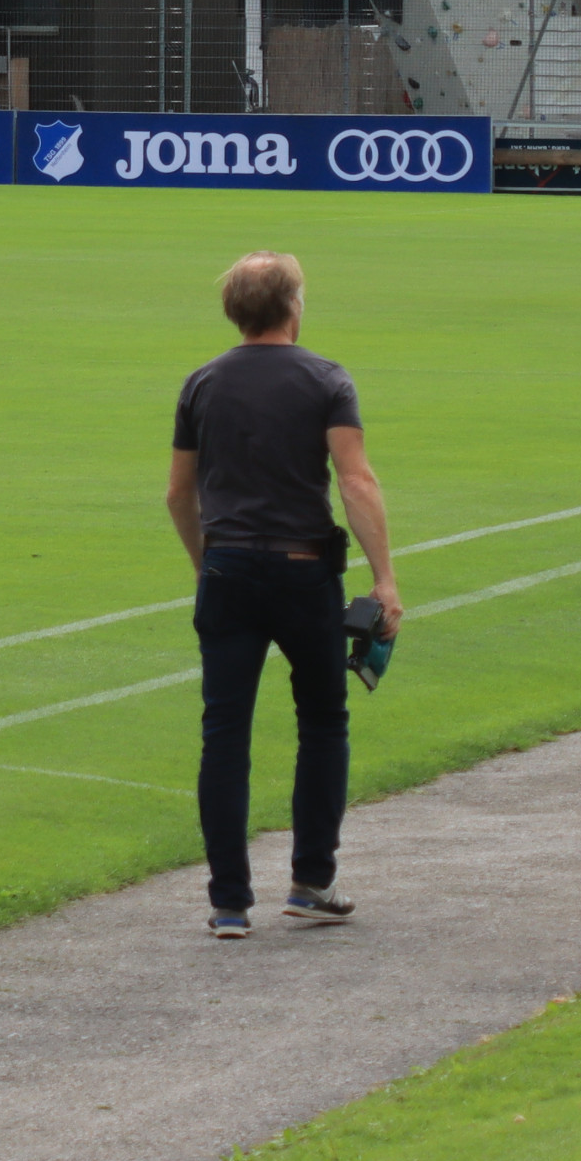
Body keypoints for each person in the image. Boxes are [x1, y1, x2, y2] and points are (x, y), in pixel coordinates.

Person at [166, 250, 401, 939]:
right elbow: (356, 482)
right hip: (305, 572)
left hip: (229, 571)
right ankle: (310, 881)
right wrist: (384, 578)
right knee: (323, 722)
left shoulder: (201, 383)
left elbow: (180, 493)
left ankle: (229, 902)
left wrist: (205, 563)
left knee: (224, 732)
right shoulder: (326, 378)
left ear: (233, 309)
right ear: (294, 307)